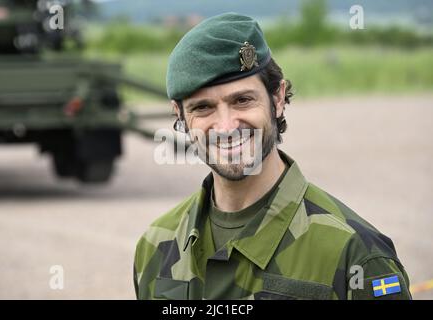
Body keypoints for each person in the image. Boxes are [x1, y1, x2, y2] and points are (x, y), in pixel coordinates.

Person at [133, 12, 411, 300]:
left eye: (242, 100)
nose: (226, 127)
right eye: (203, 107)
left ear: (277, 99)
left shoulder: (357, 256)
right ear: (180, 115)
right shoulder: (155, 246)